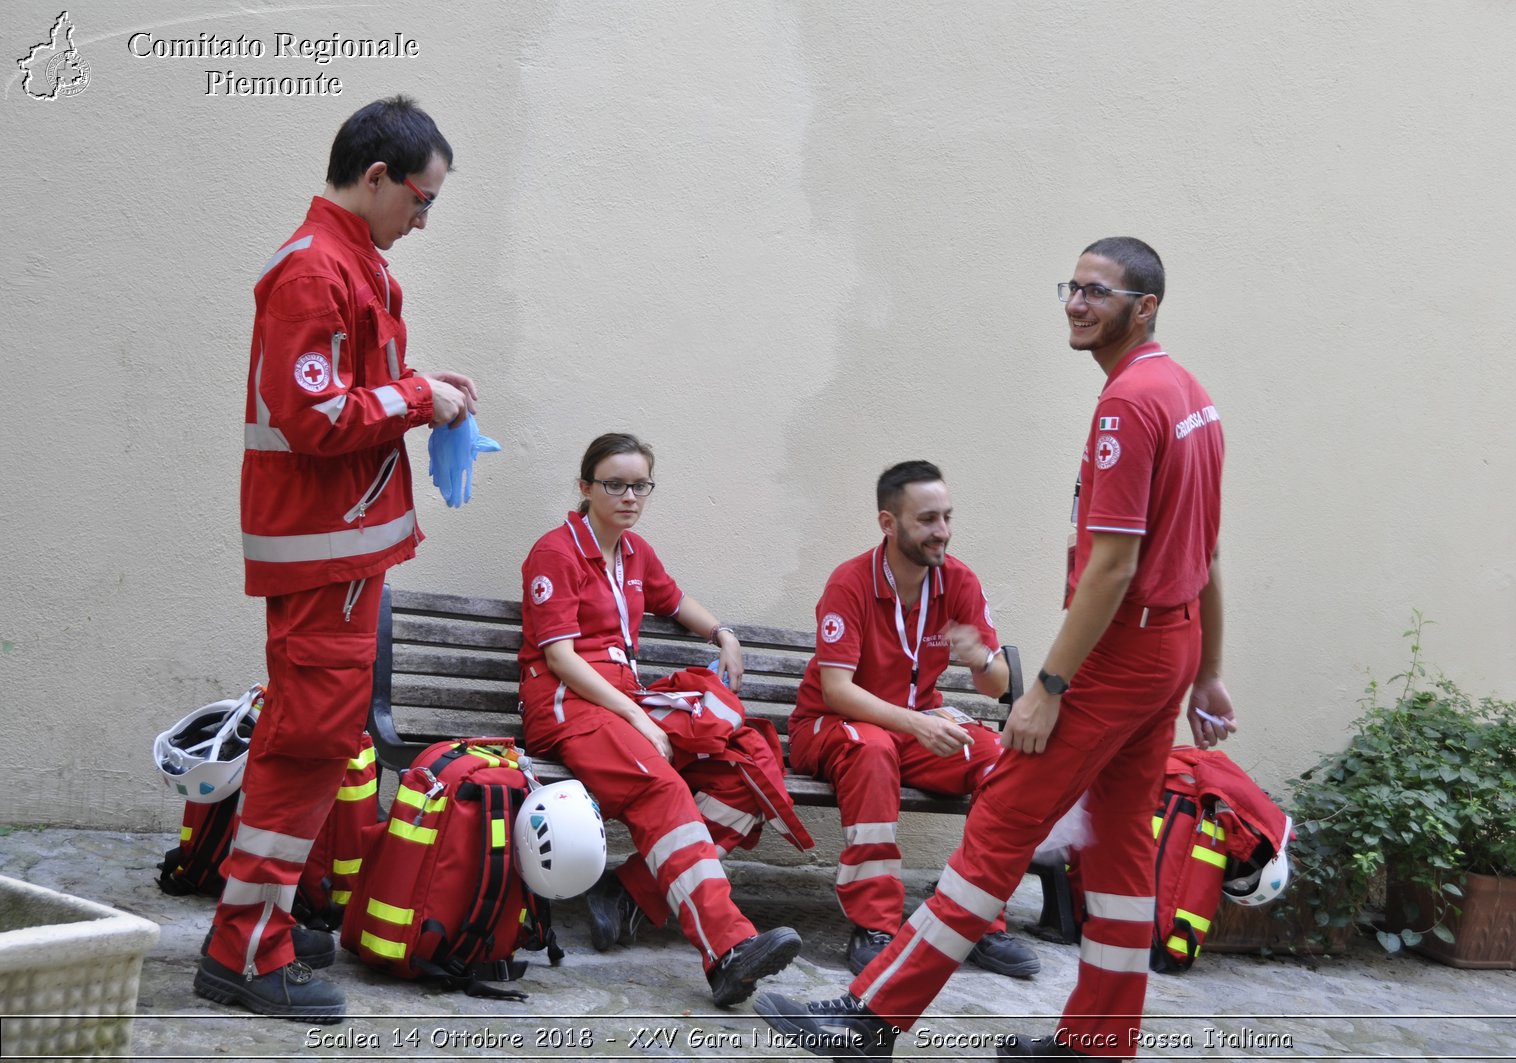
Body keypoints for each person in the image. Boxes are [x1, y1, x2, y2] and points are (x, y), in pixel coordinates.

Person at [756, 236, 1235, 1060]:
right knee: (1120, 844)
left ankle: (872, 1019)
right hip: (1171, 649)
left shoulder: (1128, 403)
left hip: (1120, 656)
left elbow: (1114, 565)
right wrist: (1208, 673)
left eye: (1099, 292)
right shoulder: (1190, 393)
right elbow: (1209, 552)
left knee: (1000, 826)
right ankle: (1099, 1041)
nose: (1077, 304)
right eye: (1072, 286)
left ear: (1144, 307)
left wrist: (1047, 683)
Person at [196, 96, 478, 1021]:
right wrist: (413, 396)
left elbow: (342, 392)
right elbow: (313, 416)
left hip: (338, 554)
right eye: (422, 200)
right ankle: (245, 949)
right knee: (307, 745)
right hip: (325, 559)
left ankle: (266, 922)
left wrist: (424, 393)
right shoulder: (316, 269)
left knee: (314, 747)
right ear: (377, 178)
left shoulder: (349, 264)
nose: (425, 220)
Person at [518, 432, 803, 1008]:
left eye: (639, 485)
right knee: (659, 783)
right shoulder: (555, 552)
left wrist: (723, 633)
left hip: (624, 703)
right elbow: (560, 658)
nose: (628, 496)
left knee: (744, 769)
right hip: (569, 707)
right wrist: (637, 718)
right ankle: (727, 950)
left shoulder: (635, 552)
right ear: (585, 488)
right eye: (614, 484)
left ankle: (628, 893)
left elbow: (674, 601)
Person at [789, 461, 1040, 979]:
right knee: (872, 748)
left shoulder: (959, 580)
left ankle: (971, 916)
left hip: (908, 727)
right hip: (830, 726)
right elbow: (836, 691)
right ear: (889, 523)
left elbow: (995, 685)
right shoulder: (850, 581)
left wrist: (980, 659)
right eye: (927, 519)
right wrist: (916, 723)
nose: (942, 531)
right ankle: (876, 923)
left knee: (1000, 760)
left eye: (947, 517)